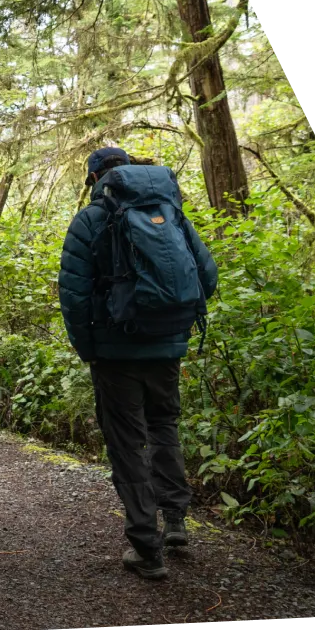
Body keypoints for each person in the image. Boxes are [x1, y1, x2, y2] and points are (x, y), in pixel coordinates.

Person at [58, 146, 218, 581]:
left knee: (127, 443)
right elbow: (207, 276)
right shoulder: (170, 210)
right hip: (167, 348)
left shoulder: (90, 220)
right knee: (164, 425)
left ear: (94, 179)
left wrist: (89, 348)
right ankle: (177, 522)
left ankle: (147, 547)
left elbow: (73, 295)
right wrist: (172, 325)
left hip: (115, 354)